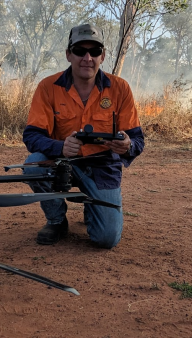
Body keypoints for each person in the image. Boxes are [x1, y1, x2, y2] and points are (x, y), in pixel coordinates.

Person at [21, 23, 145, 248]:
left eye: (95, 51)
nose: (87, 58)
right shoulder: (48, 87)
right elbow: (32, 136)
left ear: (103, 56)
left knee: (106, 240)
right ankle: (57, 220)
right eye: (80, 51)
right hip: (62, 163)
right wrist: (60, 147)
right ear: (68, 54)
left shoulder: (120, 88)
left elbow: (138, 140)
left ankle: (94, 207)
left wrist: (127, 145)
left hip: (103, 167)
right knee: (33, 165)